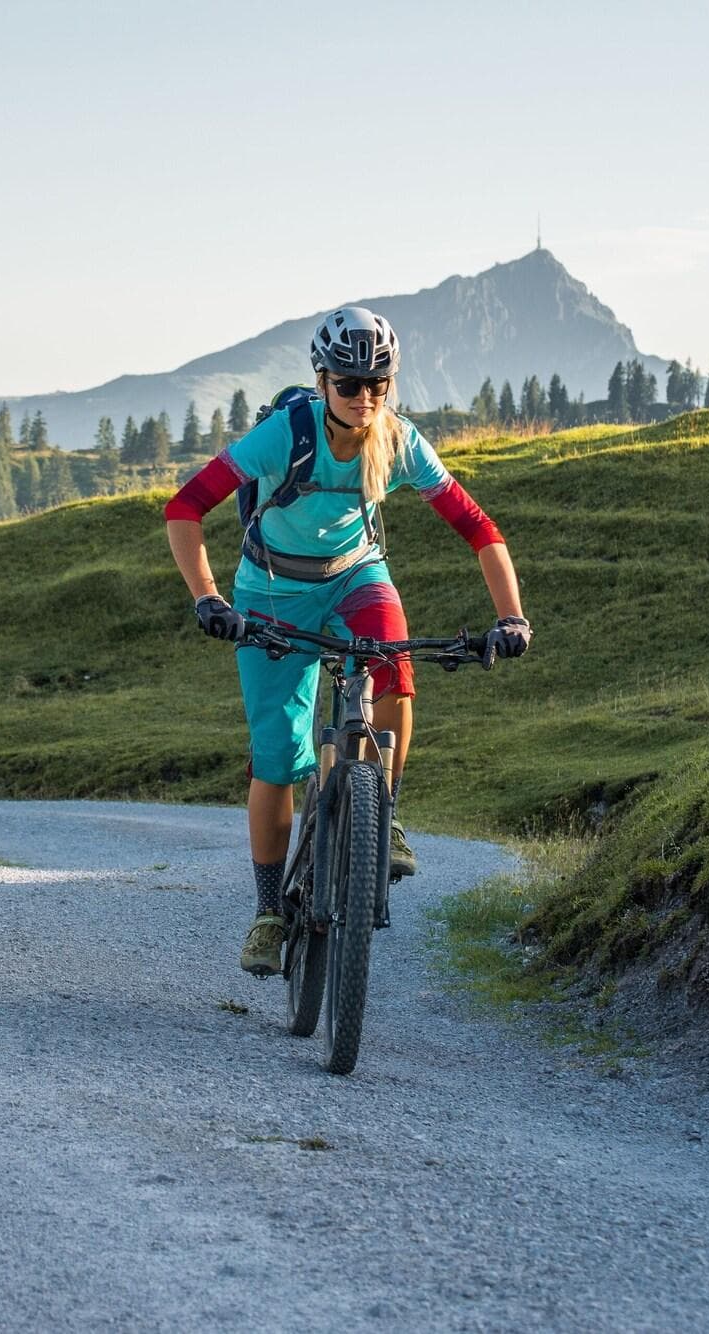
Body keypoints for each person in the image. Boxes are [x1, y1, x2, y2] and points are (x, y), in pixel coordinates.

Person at [163, 305, 530, 976]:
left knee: (393, 668)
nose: (365, 399)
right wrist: (208, 597)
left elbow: (478, 527)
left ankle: (381, 815)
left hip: (355, 577)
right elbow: (185, 507)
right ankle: (270, 912)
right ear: (323, 379)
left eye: (378, 386)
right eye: (350, 384)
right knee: (277, 760)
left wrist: (512, 616)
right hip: (270, 590)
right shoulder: (285, 434)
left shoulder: (397, 439)